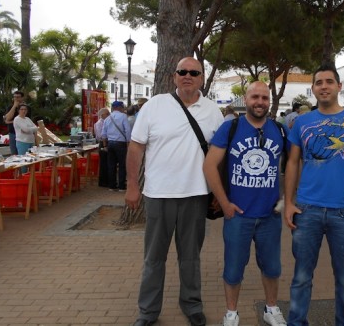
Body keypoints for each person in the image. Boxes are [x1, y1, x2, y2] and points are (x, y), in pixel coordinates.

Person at [125, 57, 223, 326]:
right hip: (158, 195)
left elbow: (219, 157)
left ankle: (192, 306)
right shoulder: (155, 106)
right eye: (183, 71)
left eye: (194, 72)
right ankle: (147, 312)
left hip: (196, 195)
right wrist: (133, 185)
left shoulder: (213, 111)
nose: (188, 76)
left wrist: (218, 193)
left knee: (190, 258)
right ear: (174, 76)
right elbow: (136, 147)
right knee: (154, 258)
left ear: (202, 78)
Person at [284, 66, 344, 326]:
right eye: (318, 82)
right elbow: (292, 163)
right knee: (302, 277)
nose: (323, 86)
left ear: (339, 86)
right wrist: (289, 203)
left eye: (329, 81)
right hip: (306, 210)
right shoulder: (302, 122)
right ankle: (296, 322)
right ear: (313, 89)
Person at [203, 82, 288, 326]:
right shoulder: (231, 128)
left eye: (264, 97)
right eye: (255, 97)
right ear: (245, 99)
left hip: (270, 215)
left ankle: (271, 309)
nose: (259, 102)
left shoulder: (279, 130)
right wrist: (224, 203)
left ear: (269, 100)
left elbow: (295, 164)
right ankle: (231, 313)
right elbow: (209, 166)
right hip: (238, 215)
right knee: (233, 269)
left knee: (272, 268)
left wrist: (286, 199)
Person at [101, 101, 131, 191]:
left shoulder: (107, 118)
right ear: (119, 107)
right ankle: (121, 186)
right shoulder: (123, 116)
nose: (123, 109)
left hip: (110, 143)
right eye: (122, 107)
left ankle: (112, 186)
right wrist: (128, 143)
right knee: (122, 165)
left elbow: (103, 134)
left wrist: (105, 145)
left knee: (111, 165)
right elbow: (128, 131)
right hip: (121, 143)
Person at [3, 91, 28, 155]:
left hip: (23, 134)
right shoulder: (10, 107)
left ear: (22, 98)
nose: (16, 99)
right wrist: (14, 106)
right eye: (15, 97)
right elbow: (7, 119)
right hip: (12, 133)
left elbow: (24, 120)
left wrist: (10, 121)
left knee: (23, 154)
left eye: (18, 97)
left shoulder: (26, 108)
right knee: (14, 153)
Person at [94, 108, 110, 188]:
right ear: (103, 115)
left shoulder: (106, 122)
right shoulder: (99, 123)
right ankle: (103, 181)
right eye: (107, 114)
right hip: (102, 143)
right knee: (103, 163)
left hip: (106, 142)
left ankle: (106, 180)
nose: (109, 115)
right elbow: (100, 135)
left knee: (107, 163)